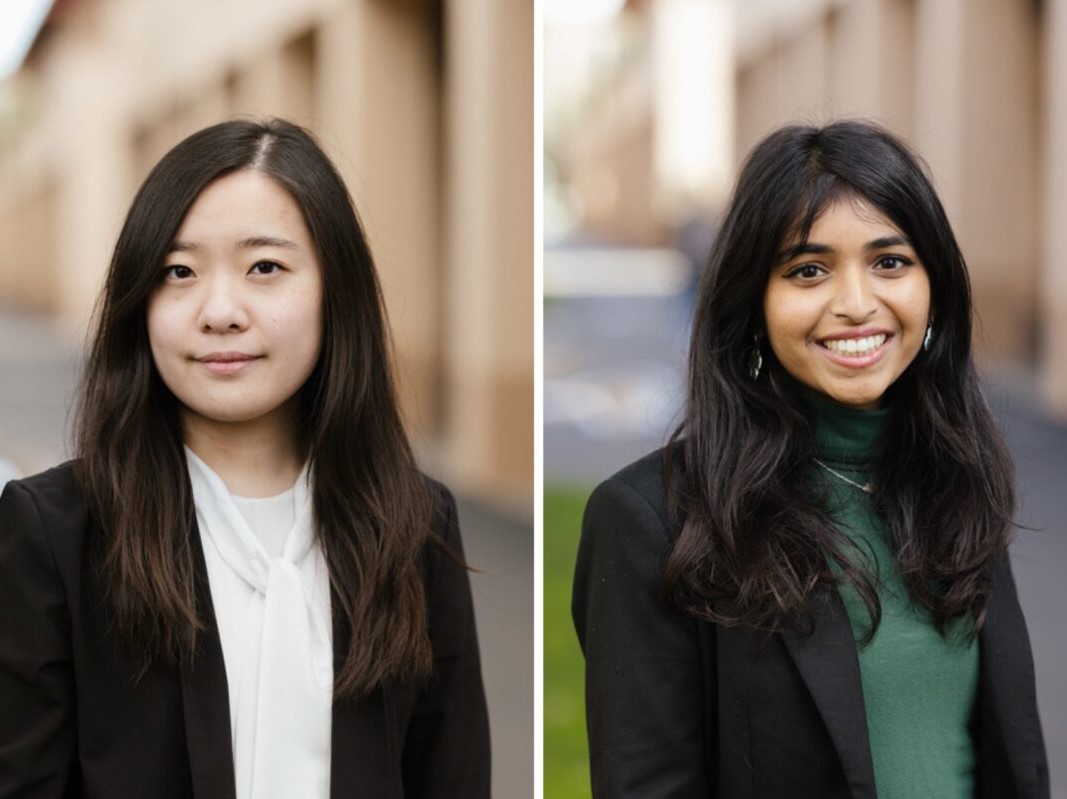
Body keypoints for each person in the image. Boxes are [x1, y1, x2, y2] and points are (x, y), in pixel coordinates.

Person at [0, 118, 490, 798]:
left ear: (333, 290)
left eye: (265, 267)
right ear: (140, 301)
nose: (220, 310)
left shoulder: (412, 521)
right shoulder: (55, 532)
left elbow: (449, 775)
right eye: (179, 272)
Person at [573, 121, 1048, 798]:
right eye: (807, 270)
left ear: (932, 282)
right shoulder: (651, 520)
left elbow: (1009, 754)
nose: (855, 305)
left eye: (889, 261)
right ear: (753, 301)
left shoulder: (956, 476)